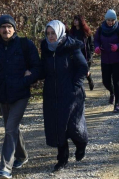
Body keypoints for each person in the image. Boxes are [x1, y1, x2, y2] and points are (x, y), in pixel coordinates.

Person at [0, 14, 41, 179]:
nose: (6, 30)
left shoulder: (25, 45)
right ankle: (22, 155)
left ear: (14, 28)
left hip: (20, 94)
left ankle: (5, 168)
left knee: (10, 128)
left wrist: (28, 78)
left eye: (9, 27)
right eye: (3, 27)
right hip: (2, 95)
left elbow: (38, 68)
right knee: (11, 128)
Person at [40, 20, 88, 172]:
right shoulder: (46, 48)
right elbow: (43, 69)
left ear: (60, 32)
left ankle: (81, 144)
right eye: (48, 33)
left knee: (73, 128)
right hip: (52, 94)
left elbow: (83, 67)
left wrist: (75, 86)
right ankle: (62, 158)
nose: (51, 36)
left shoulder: (71, 46)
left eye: (53, 33)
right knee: (57, 127)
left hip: (71, 94)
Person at [94, 9, 119, 113]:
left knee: (116, 81)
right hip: (105, 59)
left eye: (112, 20)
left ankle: (117, 104)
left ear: (115, 20)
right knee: (105, 81)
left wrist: (117, 46)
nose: (110, 22)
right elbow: (96, 40)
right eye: (108, 20)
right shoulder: (101, 29)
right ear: (105, 20)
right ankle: (112, 92)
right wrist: (97, 47)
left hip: (117, 60)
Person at [69, 15, 95, 91]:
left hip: (86, 55)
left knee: (85, 71)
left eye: (77, 20)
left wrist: (91, 54)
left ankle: (89, 80)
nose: (75, 21)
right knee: (79, 72)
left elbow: (91, 44)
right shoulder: (72, 32)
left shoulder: (86, 32)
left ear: (81, 21)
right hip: (76, 55)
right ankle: (80, 89)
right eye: (74, 20)